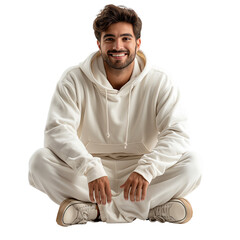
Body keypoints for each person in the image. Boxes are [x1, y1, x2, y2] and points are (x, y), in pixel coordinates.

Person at [28, 4, 201, 226]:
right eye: (109, 39)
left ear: (138, 43)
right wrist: (90, 168)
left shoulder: (160, 82)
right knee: (39, 162)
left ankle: (93, 211)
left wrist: (146, 170)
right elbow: (57, 131)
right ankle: (149, 209)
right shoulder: (73, 79)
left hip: (140, 174)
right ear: (99, 44)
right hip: (90, 175)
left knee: (193, 165)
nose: (117, 46)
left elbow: (177, 134)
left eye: (126, 38)